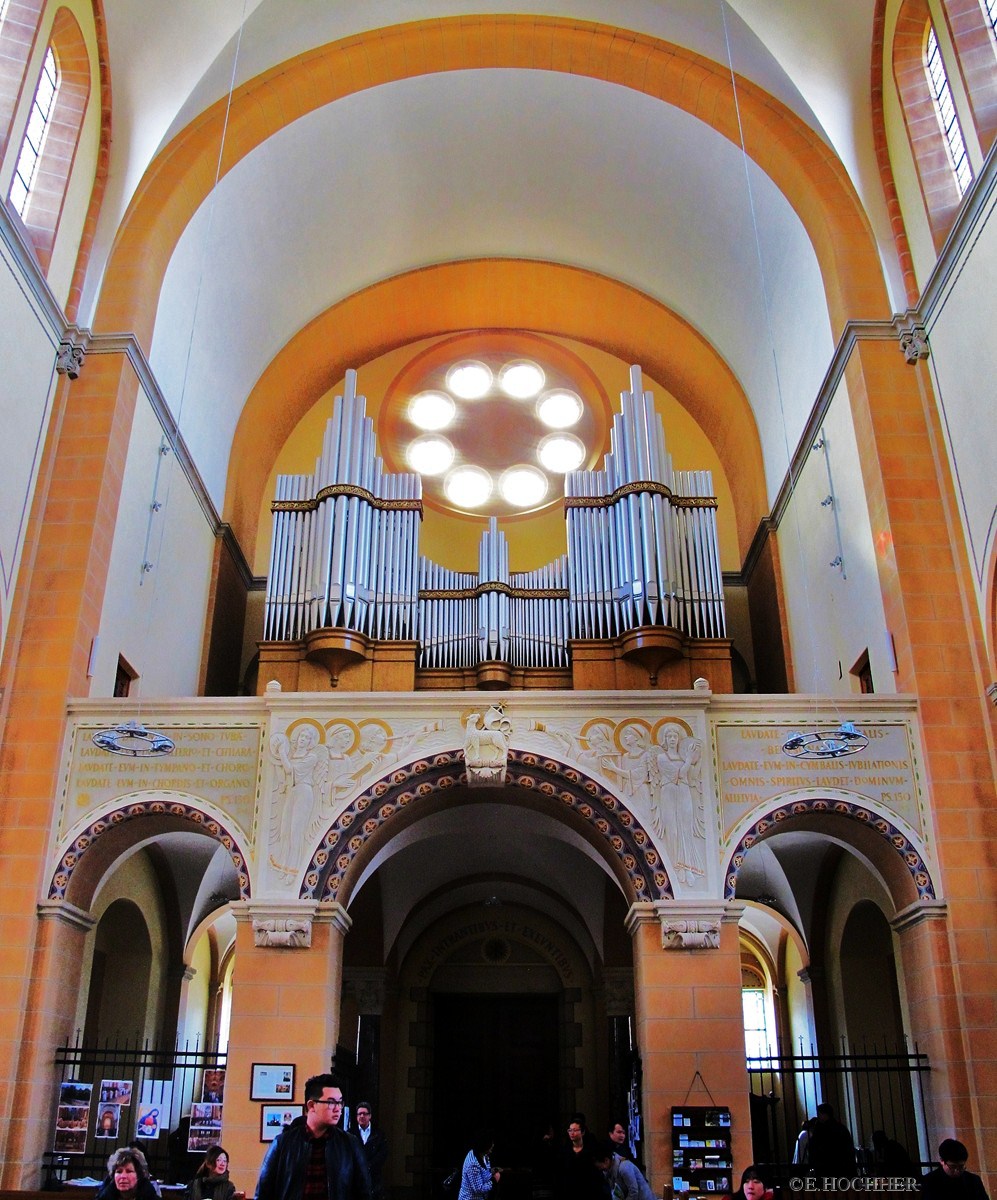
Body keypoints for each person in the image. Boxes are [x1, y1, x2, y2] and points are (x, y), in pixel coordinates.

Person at [256, 1073, 371, 1200]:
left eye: (340, 1102)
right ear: (311, 1105)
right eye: (331, 1102)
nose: (338, 1108)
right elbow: (263, 1193)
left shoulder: (350, 1144)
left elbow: (364, 1192)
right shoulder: (283, 1143)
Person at [921, 1138, 990, 1200]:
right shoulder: (929, 1182)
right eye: (953, 1166)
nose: (957, 1171)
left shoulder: (973, 1180)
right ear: (942, 1161)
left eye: (961, 1166)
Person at [557, 1114, 605, 1200]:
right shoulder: (565, 1151)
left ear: (582, 1132)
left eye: (575, 1130)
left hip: (587, 1190)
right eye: (570, 1130)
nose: (572, 1133)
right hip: (569, 1190)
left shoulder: (590, 1150)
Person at [805, 1103, 856, 1178]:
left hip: (825, 1167)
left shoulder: (821, 1129)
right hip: (841, 1168)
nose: (818, 1116)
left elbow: (814, 1147)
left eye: (819, 1114)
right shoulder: (840, 1128)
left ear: (825, 1114)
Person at [349, 1102, 388, 1200]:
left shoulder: (379, 1134)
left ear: (370, 1116)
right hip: (355, 1179)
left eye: (364, 1113)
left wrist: (369, 1166)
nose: (362, 1116)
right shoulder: (350, 1134)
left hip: (374, 1179)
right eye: (359, 1114)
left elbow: (382, 1154)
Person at [96, 1148, 161, 1200]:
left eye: (129, 1171)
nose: (123, 1176)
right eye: (119, 1172)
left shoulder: (150, 1197)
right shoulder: (104, 1197)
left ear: (139, 1175)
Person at [457, 1130, 501, 1200]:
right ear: (484, 1146)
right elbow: (479, 1189)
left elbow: (482, 1175)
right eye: (490, 1146)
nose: (492, 1148)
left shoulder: (484, 1155)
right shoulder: (473, 1164)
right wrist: (494, 1180)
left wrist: (491, 1172)